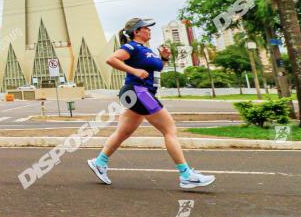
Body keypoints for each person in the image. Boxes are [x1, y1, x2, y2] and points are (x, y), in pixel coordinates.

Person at [87, 18, 216, 190]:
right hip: (138, 91)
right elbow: (111, 59)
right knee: (169, 129)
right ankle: (186, 175)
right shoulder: (131, 47)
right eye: (146, 28)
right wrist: (133, 70)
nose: (149, 31)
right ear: (137, 31)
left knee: (123, 132)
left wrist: (163, 59)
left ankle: (99, 162)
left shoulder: (146, 50)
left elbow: (156, 70)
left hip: (139, 93)